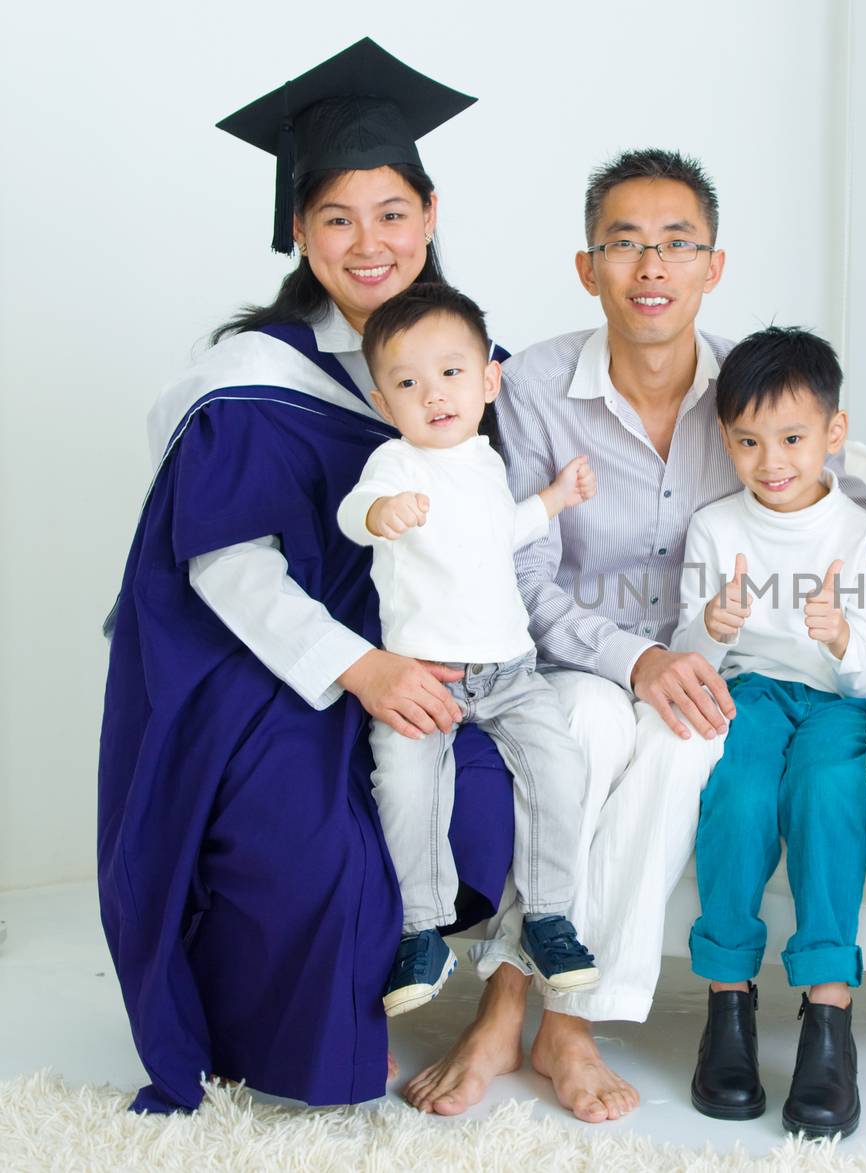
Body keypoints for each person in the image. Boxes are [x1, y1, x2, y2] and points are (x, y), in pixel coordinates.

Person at [403, 149, 866, 1123]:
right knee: (593, 733)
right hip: (583, 657)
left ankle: (574, 1022)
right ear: (587, 265)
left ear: (712, 265)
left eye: (676, 244)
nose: (651, 267)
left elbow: (850, 504)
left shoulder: (754, 386)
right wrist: (639, 658)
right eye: (625, 244)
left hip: (717, 678)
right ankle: (509, 1006)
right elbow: (516, 568)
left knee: (682, 758)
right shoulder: (530, 389)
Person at [98, 40, 522, 1112]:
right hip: (276, 663)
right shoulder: (254, 374)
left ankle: (452, 984)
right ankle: (285, 1038)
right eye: (336, 217)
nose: (367, 243)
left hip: (435, 651)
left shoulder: (462, 363)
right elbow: (230, 571)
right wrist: (362, 669)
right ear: (297, 229)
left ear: (430, 214)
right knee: (309, 829)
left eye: (391, 213)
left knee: (485, 783)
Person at [336, 283, 601, 1017]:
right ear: (384, 401)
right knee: (406, 785)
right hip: (427, 677)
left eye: (452, 373)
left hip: (510, 671)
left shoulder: (485, 461)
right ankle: (422, 928)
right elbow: (352, 513)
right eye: (408, 382)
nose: (434, 394)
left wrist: (552, 501)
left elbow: (501, 534)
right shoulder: (397, 463)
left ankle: (548, 915)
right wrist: (380, 512)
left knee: (559, 763)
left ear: (489, 380)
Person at [672, 327, 866, 1139]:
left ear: (834, 432)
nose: (772, 461)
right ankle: (728, 1005)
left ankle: (829, 1021)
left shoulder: (860, 529)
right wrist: (713, 627)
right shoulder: (717, 526)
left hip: (835, 700)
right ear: (725, 439)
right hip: (748, 691)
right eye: (749, 441)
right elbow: (694, 657)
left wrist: (837, 637)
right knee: (740, 790)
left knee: (828, 789)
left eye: (793, 438)